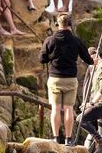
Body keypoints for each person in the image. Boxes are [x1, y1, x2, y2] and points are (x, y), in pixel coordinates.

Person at [39, 14, 93, 145]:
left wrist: (51, 57)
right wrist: (93, 60)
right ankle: (69, 139)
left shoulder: (50, 40)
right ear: (70, 24)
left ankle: (56, 138)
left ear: (57, 24)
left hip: (55, 79)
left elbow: (42, 59)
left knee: (55, 109)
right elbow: (88, 59)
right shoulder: (76, 40)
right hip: (70, 79)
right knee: (69, 108)